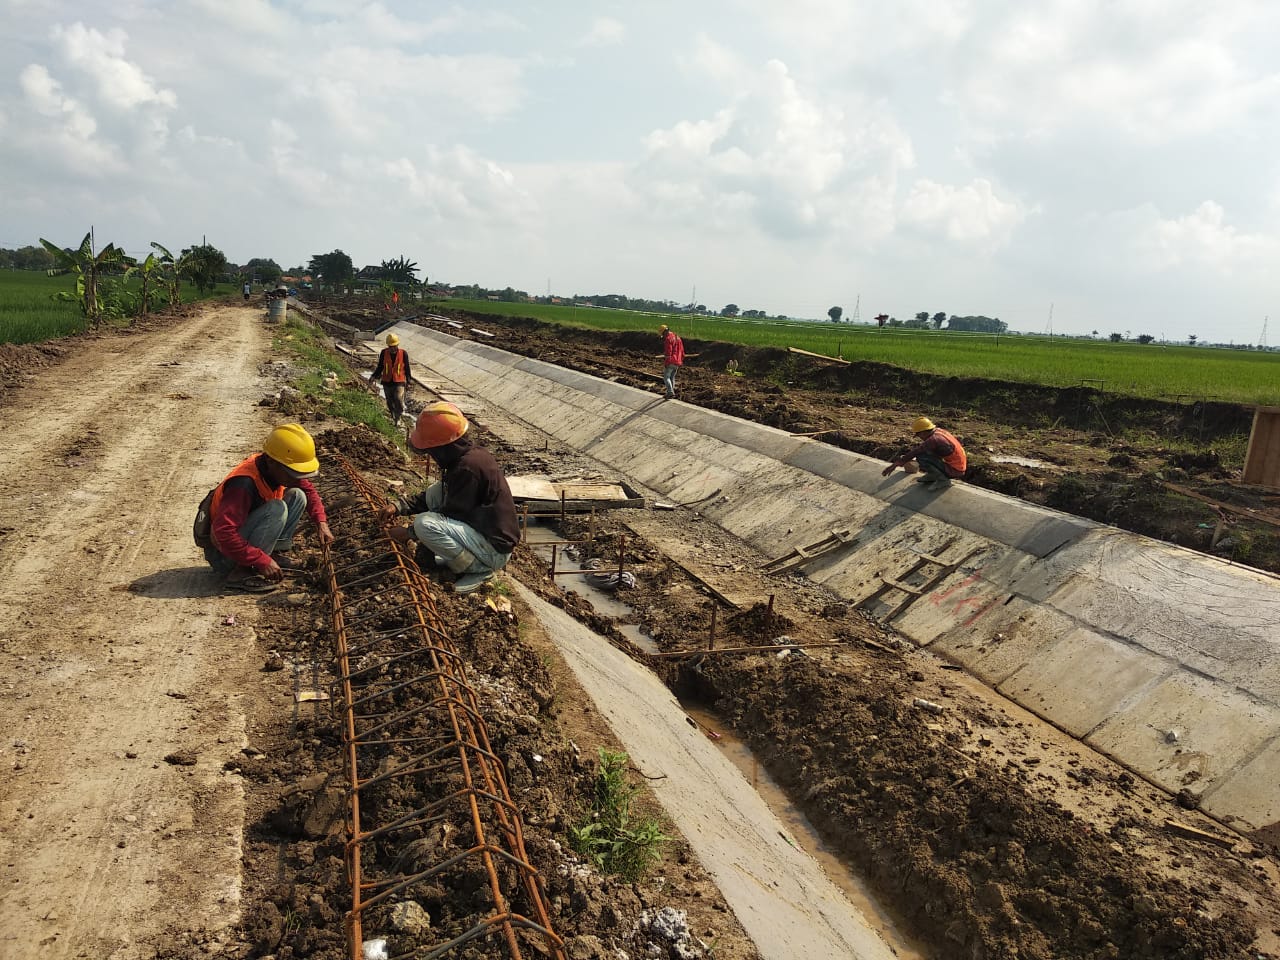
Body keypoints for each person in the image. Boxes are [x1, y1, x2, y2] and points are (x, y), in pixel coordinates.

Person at [380, 401, 519, 594]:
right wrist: (399, 506)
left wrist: (409, 532)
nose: (431, 456)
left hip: (494, 550)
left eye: (431, 451)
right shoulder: (469, 457)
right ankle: (467, 561)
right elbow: (441, 500)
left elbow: (453, 513)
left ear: (442, 447)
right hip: (487, 535)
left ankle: (478, 570)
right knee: (438, 491)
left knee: (424, 524)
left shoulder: (467, 469)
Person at [204, 424, 334, 593]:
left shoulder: (275, 467)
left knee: (297, 495)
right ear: (272, 462)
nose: (297, 478)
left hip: (241, 538)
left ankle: (272, 553)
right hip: (223, 554)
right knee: (276, 508)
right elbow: (224, 534)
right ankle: (241, 572)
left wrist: (321, 523)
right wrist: (260, 560)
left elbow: (309, 491)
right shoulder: (243, 484)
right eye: (294, 473)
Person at [881, 416, 967, 488]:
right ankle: (933, 475)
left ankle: (943, 480)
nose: (919, 437)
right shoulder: (939, 432)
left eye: (919, 435)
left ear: (923, 432)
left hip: (955, 470)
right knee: (926, 453)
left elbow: (916, 452)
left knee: (922, 457)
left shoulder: (934, 440)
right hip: (958, 466)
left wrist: (895, 464)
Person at [372, 332, 411, 423]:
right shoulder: (384, 353)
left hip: (399, 381)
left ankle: (398, 416)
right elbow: (380, 366)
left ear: (397, 345)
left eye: (394, 346)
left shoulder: (403, 353)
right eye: (391, 347)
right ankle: (393, 416)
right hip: (387, 381)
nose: (393, 348)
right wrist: (374, 376)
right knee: (389, 401)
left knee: (398, 398)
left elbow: (407, 368)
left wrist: (409, 380)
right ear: (388, 346)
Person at [659, 324, 684, 399]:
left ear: (664, 332)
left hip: (671, 361)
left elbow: (668, 353)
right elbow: (682, 350)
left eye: (662, 334)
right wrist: (681, 359)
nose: (663, 336)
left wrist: (667, 363)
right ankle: (670, 393)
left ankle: (670, 392)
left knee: (666, 377)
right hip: (677, 361)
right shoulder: (677, 337)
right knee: (672, 377)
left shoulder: (668, 339)